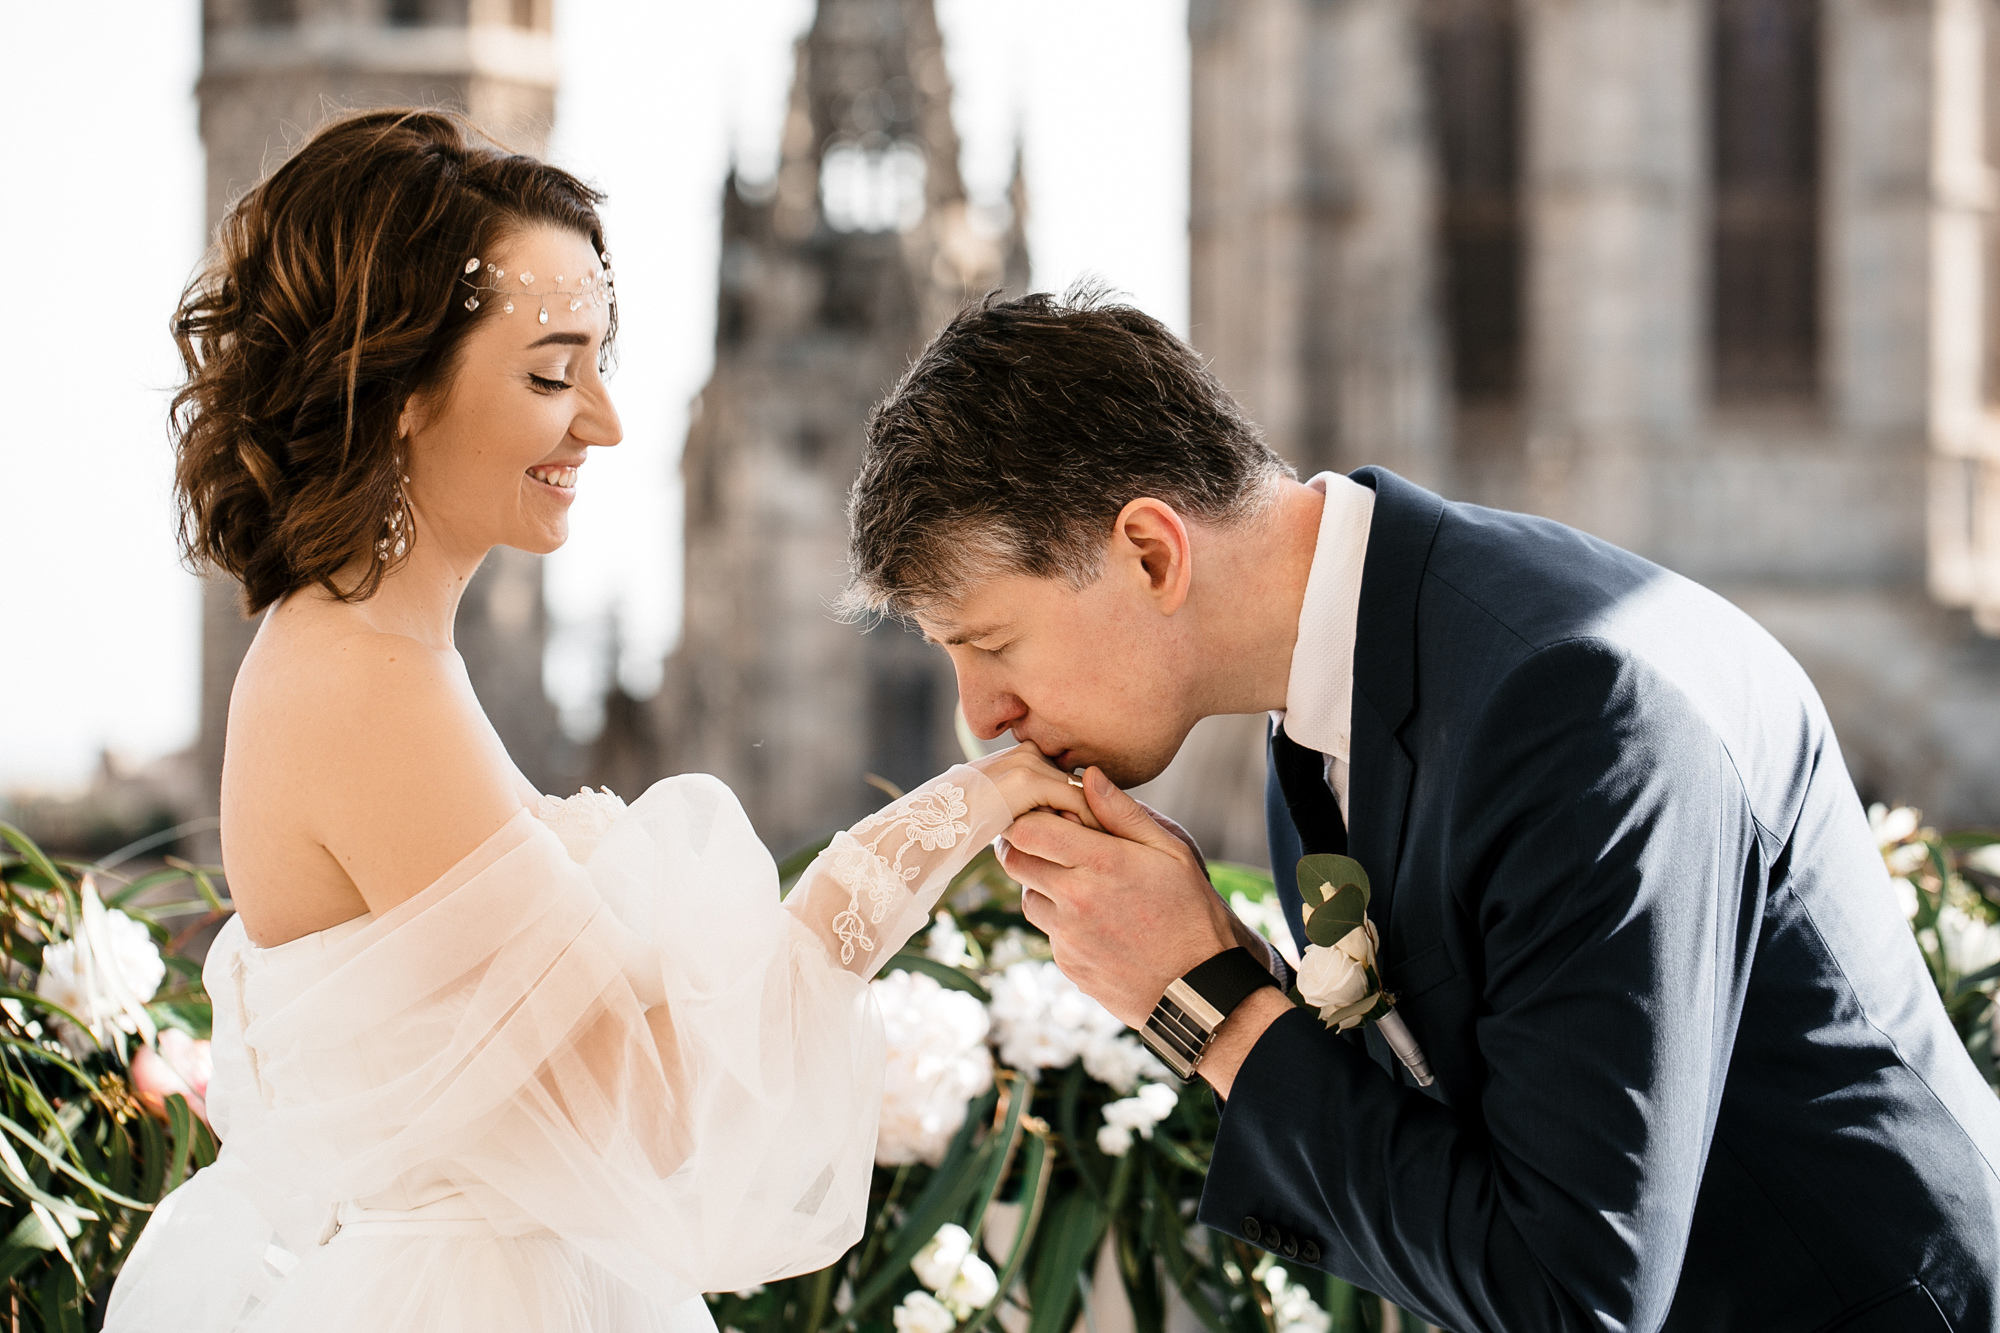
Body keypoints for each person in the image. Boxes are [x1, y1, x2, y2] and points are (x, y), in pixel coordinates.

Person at [842, 285, 2000, 1332]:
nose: (982, 715)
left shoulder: (1571, 699)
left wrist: (1206, 998)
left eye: (987, 644)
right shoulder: (1332, 703)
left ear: (1149, 552)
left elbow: (1572, 1298)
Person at [104, 109, 1092, 1333]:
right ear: (401, 389)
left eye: (598, 362)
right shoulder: (361, 678)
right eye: (548, 373)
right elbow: (653, 1107)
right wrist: (942, 822)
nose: (605, 421)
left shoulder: (378, 657)